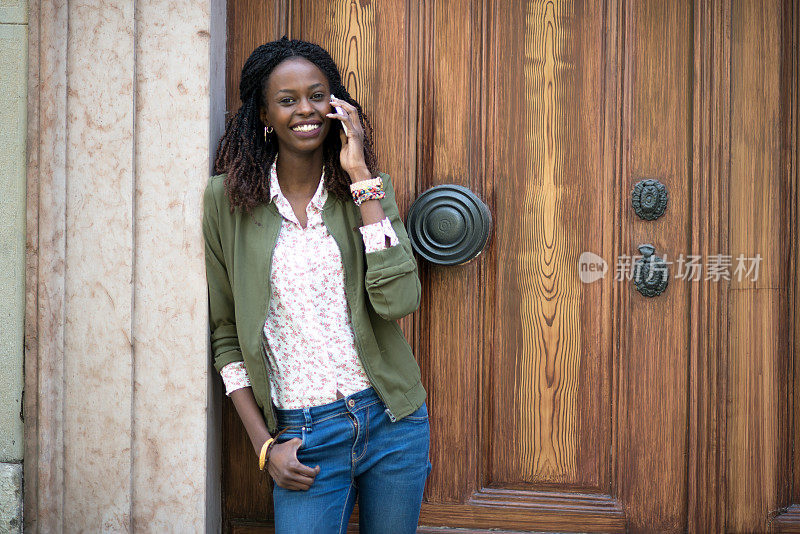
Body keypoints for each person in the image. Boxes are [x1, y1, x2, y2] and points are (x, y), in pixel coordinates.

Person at [202, 37, 431, 534]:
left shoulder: (365, 193)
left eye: (316, 95)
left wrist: (360, 173)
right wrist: (264, 446)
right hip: (303, 436)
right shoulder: (228, 202)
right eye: (287, 100)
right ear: (264, 114)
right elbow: (225, 334)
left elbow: (399, 301)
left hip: (393, 419)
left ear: (335, 106)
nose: (305, 109)